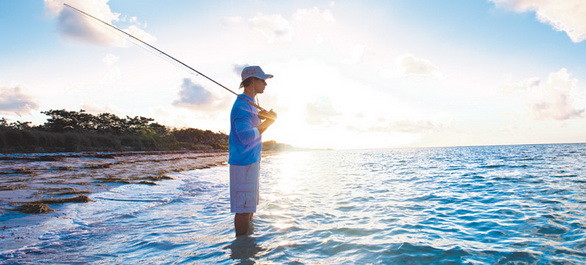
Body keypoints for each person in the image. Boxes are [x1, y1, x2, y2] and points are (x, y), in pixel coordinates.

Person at [229, 65, 277, 237]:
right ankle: (242, 250)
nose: (265, 84)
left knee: (249, 207)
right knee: (243, 209)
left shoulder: (250, 104)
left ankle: (248, 247)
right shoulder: (241, 106)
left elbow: (251, 125)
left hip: (251, 160)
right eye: (262, 80)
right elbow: (245, 136)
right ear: (252, 81)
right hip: (243, 162)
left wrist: (262, 117)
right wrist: (268, 123)